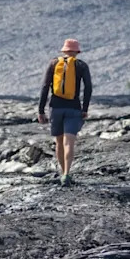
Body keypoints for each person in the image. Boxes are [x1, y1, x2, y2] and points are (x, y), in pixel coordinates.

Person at [38, 38, 92, 186]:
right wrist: (85, 108)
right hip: (74, 108)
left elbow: (44, 87)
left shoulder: (54, 63)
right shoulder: (81, 65)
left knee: (59, 142)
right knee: (69, 142)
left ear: (64, 50)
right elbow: (88, 88)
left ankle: (63, 173)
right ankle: (67, 173)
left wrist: (41, 110)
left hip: (55, 107)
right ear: (77, 52)